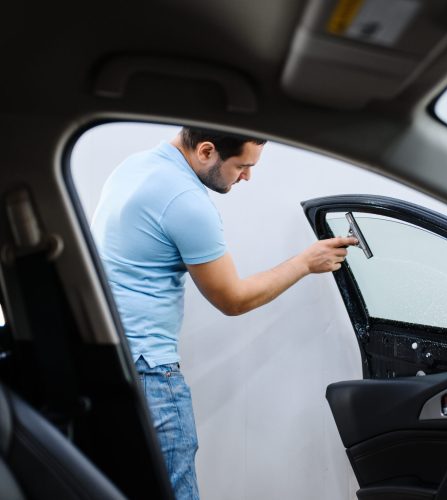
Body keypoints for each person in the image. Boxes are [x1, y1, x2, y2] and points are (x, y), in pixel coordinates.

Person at [91, 127, 357, 499]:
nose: (247, 176)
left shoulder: (134, 168)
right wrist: (306, 262)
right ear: (206, 151)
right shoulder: (185, 200)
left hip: (110, 363)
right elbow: (232, 299)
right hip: (151, 375)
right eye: (242, 166)